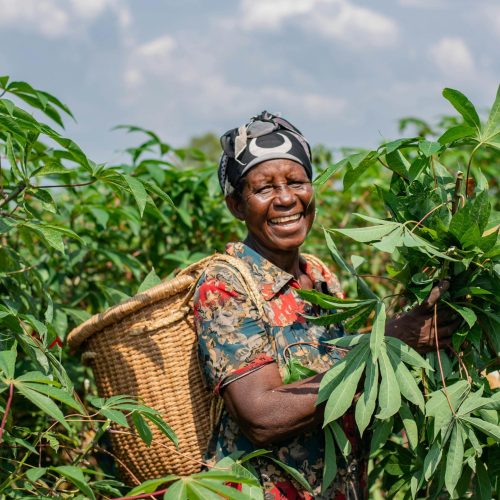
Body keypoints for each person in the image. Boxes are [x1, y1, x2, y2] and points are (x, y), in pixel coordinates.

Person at [193, 111, 458, 499]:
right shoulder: (226, 283)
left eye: (296, 182)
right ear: (236, 205)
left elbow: (341, 375)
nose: (286, 199)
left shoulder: (320, 275)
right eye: (264, 189)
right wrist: (383, 347)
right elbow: (262, 417)